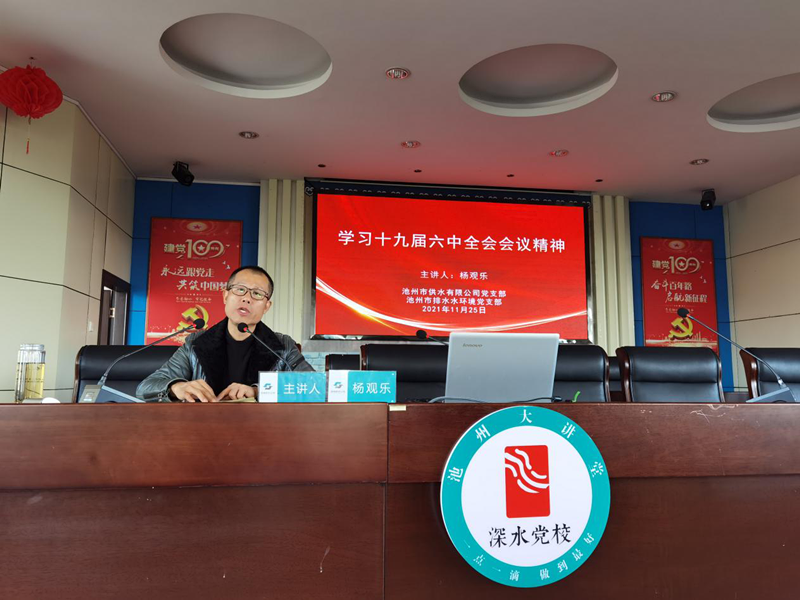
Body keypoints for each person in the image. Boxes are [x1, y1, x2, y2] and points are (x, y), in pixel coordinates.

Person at [137, 265, 313, 402]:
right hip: (204, 429)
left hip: (263, 430)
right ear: (225, 296)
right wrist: (176, 387)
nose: (247, 298)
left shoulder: (282, 346)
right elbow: (145, 388)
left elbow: (315, 386)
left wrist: (258, 391)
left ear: (266, 306)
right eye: (240, 289)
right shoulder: (196, 343)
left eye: (257, 294)